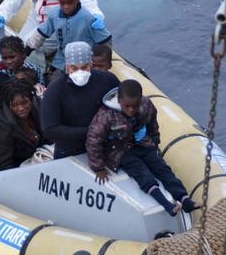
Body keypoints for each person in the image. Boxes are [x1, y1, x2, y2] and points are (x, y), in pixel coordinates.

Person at [86, 79, 201, 216]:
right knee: (142, 172)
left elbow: (152, 123)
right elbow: (94, 139)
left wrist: (154, 141)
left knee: (161, 168)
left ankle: (184, 199)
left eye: (135, 106)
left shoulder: (146, 105)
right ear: (119, 100)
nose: (131, 110)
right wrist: (98, 167)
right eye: (127, 106)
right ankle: (167, 205)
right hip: (120, 150)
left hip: (142, 144)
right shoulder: (106, 115)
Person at [41, 42, 119, 159]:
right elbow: (50, 129)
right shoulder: (55, 90)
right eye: (74, 68)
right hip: (69, 150)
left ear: (91, 64)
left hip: (104, 145)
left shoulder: (107, 80)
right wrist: (91, 131)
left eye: (84, 67)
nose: (79, 72)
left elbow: (123, 102)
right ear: (67, 67)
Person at [26, 0, 111, 82]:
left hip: (83, 62)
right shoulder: (54, 15)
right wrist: (28, 49)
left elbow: (105, 39)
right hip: (62, 60)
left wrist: (104, 60)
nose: (66, 6)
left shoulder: (87, 18)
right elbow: (41, 33)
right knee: (52, 81)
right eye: (62, 3)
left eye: (70, 3)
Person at [0, 35, 43, 158]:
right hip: (8, 124)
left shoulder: (34, 70)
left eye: (12, 57)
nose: (8, 61)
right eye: (4, 58)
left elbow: (40, 93)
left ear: (23, 55)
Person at [0, 79, 44, 172]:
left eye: (24, 102)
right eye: (15, 105)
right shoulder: (2, 127)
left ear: (31, 99)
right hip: (18, 169)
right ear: (8, 105)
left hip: (41, 158)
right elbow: (3, 165)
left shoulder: (38, 106)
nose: (21, 108)